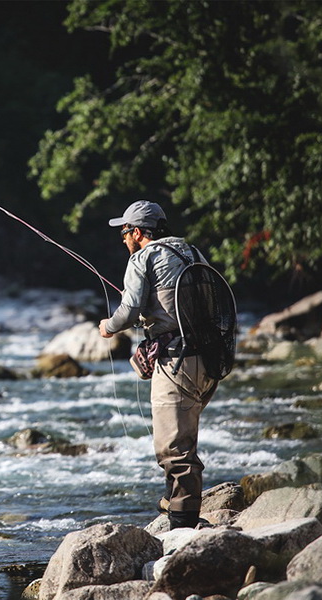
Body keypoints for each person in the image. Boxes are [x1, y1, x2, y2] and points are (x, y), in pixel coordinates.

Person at [98, 199, 218, 529]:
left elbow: (129, 310)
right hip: (208, 361)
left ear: (138, 232)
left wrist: (108, 326)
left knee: (173, 448)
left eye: (124, 232)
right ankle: (174, 506)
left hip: (176, 362)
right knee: (184, 439)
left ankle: (181, 527)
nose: (123, 239)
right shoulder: (191, 252)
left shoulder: (144, 257)